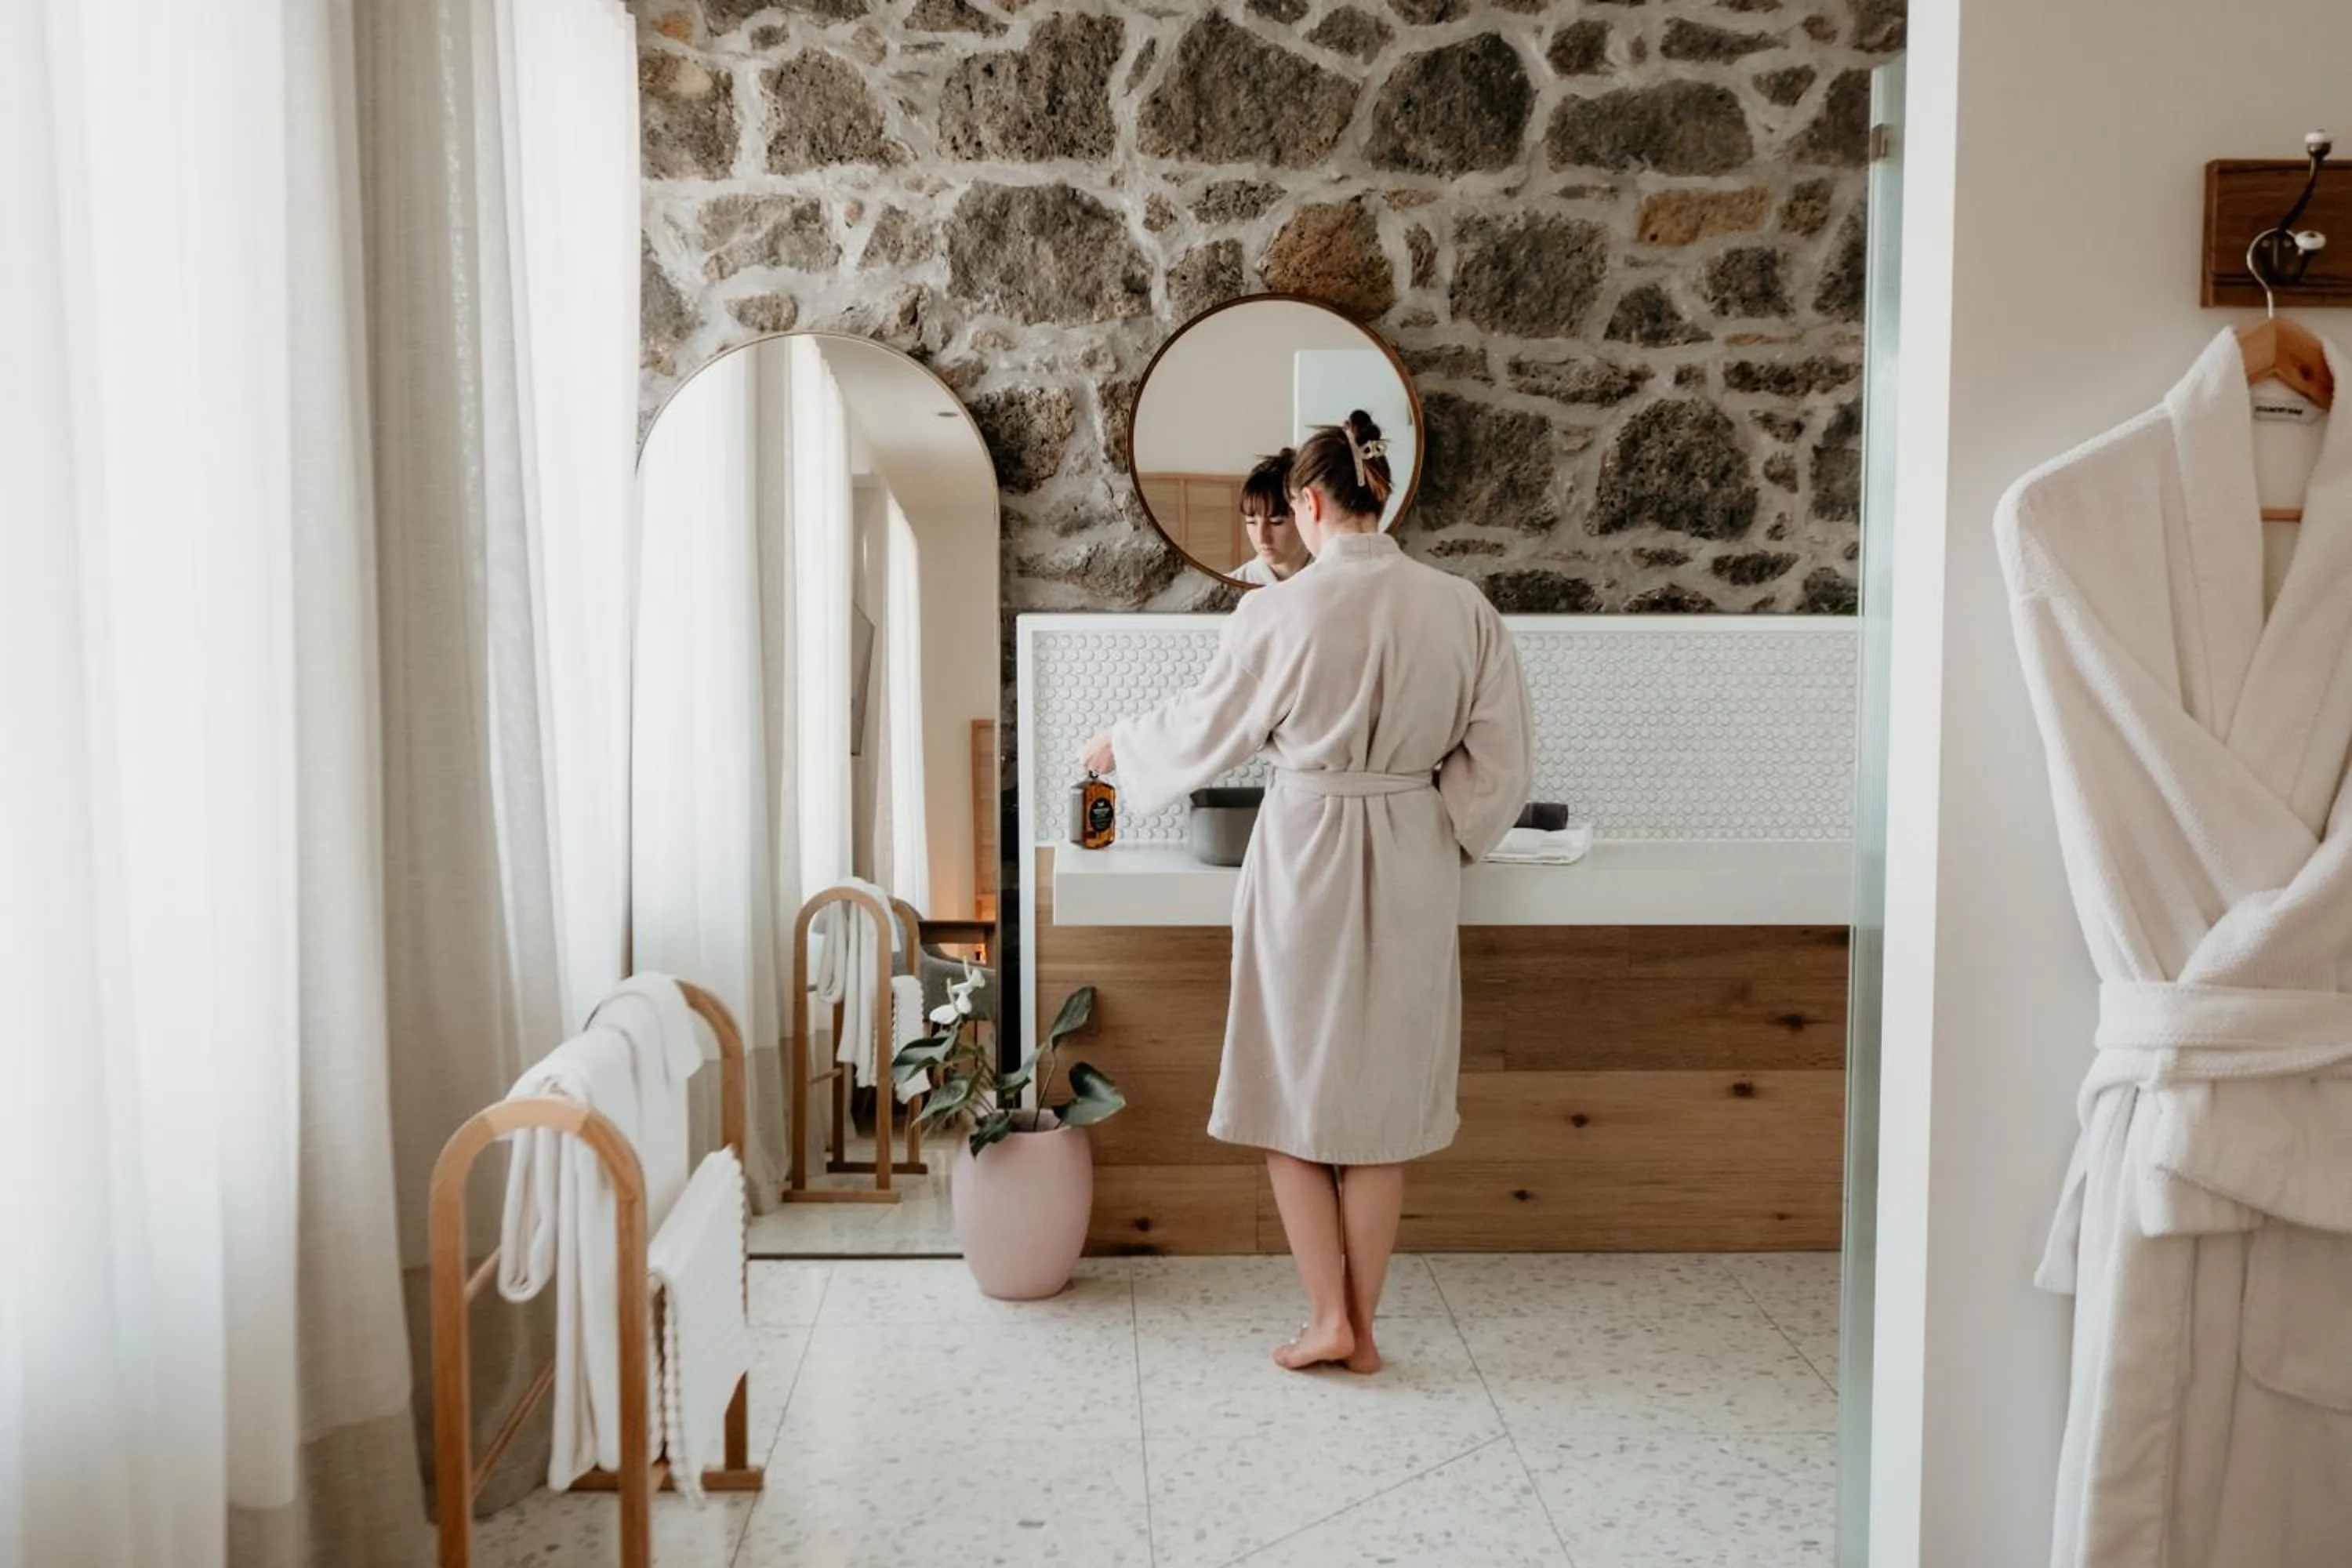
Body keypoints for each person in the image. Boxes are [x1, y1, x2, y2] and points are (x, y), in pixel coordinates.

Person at [1082, 410, 1532, 1374]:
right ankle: (1362, 1332)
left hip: (1304, 854)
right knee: (1379, 1105)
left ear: (1311, 502)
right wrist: (1437, 819)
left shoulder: (1278, 613)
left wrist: (1120, 744)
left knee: (1286, 1086)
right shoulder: (1463, 607)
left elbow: (1209, 723)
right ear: (1381, 494)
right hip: (1412, 854)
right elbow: (1500, 767)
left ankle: (1327, 1316)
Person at [1229, 448, 1309, 587]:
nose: (1262, 538)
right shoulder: (1230, 587)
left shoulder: (1335, 581)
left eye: (1275, 522)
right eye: (1252, 522)